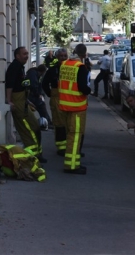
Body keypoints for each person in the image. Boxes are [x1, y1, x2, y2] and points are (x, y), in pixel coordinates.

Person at [5, 46, 45, 163]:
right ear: (17, 56)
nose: (27, 56)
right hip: (18, 102)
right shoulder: (14, 67)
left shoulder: (20, 67)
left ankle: (37, 154)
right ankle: (32, 157)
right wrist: (9, 100)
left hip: (23, 100)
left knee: (35, 126)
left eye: (27, 54)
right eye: (24, 54)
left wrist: (27, 100)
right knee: (27, 129)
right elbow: (10, 85)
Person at [58, 43, 91, 174]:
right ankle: (71, 166)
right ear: (84, 55)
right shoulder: (80, 67)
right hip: (77, 106)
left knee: (70, 135)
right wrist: (89, 90)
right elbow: (83, 88)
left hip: (65, 105)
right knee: (75, 136)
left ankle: (72, 163)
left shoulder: (64, 64)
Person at [42, 48, 69, 155]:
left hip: (69, 99)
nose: (63, 58)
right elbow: (44, 84)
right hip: (57, 99)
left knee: (69, 124)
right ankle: (61, 147)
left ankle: (70, 146)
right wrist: (51, 94)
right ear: (57, 57)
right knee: (59, 124)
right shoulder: (53, 70)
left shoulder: (71, 69)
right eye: (61, 56)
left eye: (65, 56)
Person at [26, 64, 52, 131]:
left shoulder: (34, 73)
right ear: (42, 71)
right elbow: (34, 85)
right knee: (41, 105)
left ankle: (47, 121)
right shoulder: (34, 74)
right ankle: (47, 122)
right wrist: (38, 95)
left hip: (31, 94)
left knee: (41, 106)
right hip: (31, 95)